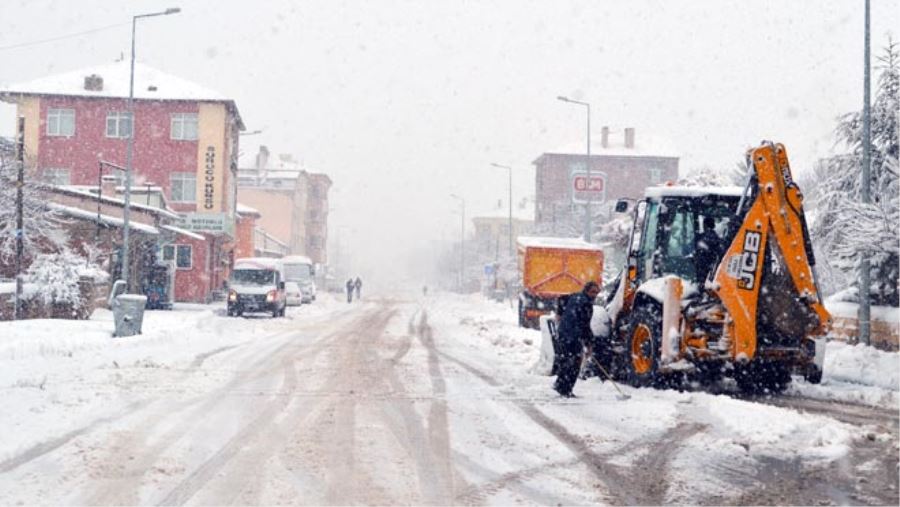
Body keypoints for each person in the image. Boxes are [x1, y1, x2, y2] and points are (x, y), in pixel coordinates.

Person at [554, 281, 601, 398]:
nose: (594, 295)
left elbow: (561, 299)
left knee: (565, 361)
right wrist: (589, 344)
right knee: (574, 363)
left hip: (563, 333)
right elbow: (585, 325)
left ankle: (560, 386)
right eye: (592, 292)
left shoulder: (574, 296)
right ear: (586, 291)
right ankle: (566, 389)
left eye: (596, 292)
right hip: (572, 336)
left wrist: (559, 314)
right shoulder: (586, 305)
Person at [696, 216, 723, 283]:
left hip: (703, 268)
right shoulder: (716, 238)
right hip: (708, 267)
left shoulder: (704, 237)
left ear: (705, 225)